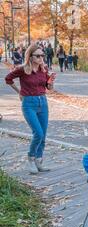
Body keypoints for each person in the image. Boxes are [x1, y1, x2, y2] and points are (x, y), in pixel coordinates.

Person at [5, 44, 56, 174]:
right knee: (38, 133)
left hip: (43, 102)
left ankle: (39, 161)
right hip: (29, 103)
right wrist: (19, 92)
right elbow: (8, 78)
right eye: (38, 56)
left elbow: (49, 88)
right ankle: (31, 158)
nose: (41, 58)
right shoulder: (23, 69)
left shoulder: (44, 69)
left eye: (42, 55)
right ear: (30, 56)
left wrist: (51, 81)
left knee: (43, 135)